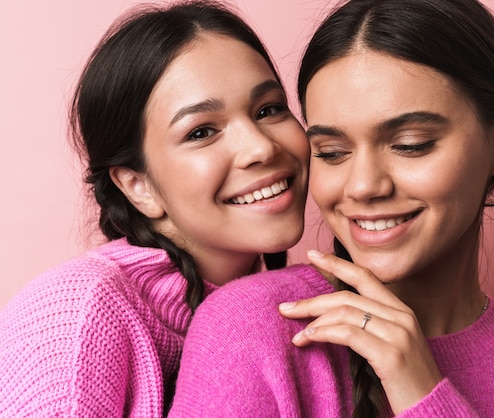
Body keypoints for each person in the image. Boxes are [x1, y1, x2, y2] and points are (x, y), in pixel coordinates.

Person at [168, 0, 494, 417]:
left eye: (411, 145)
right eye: (331, 152)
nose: (364, 186)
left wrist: (424, 393)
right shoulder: (255, 331)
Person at [0, 1, 310, 416]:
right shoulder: (79, 315)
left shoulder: (283, 309)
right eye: (201, 131)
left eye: (269, 109)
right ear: (137, 185)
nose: (261, 148)